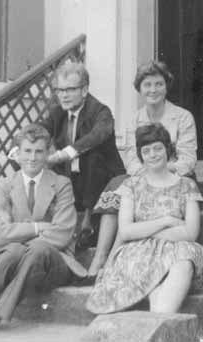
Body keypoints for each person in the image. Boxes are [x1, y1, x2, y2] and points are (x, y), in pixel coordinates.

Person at [0, 123, 87, 333]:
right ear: (17, 154)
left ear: (48, 154)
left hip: (55, 262)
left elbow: (62, 233)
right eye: (27, 151)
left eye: (39, 151)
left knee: (36, 248)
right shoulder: (5, 185)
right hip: (18, 259)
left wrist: (19, 233)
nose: (32, 157)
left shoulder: (61, 183)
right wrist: (37, 227)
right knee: (14, 250)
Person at [86, 60, 198, 278]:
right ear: (139, 89)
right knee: (116, 185)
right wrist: (146, 174)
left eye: (158, 84)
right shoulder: (134, 119)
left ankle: (112, 261)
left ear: (166, 86)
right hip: (143, 175)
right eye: (147, 85)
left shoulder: (183, 117)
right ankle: (100, 256)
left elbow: (188, 158)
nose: (153, 90)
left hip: (175, 176)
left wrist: (162, 170)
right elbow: (130, 158)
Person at [86, 123, 203, 314]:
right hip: (137, 251)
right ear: (141, 155)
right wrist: (166, 220)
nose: (153, 154)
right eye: (147, 150)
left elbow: (190, 232)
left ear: (168, 150)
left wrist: (142, 231)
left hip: (177, 247)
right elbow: (125, 231)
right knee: (143, 266)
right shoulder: (130, 185)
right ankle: (158, 312)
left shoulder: (187, 185)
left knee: (184, 261)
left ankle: (159, 316)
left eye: (158, 148)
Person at [42, 62, 126, 245]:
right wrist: (18, 147)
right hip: (75, 182)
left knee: (91, 155)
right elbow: (39, 130)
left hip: (104, 184)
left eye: (70, 89)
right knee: (34, 160)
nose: (64, 95)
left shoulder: (100, 111)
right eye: (60, 90)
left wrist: (63, 154)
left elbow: (98, 135)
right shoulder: (58, 112)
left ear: (84, 90)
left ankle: (87, 224)